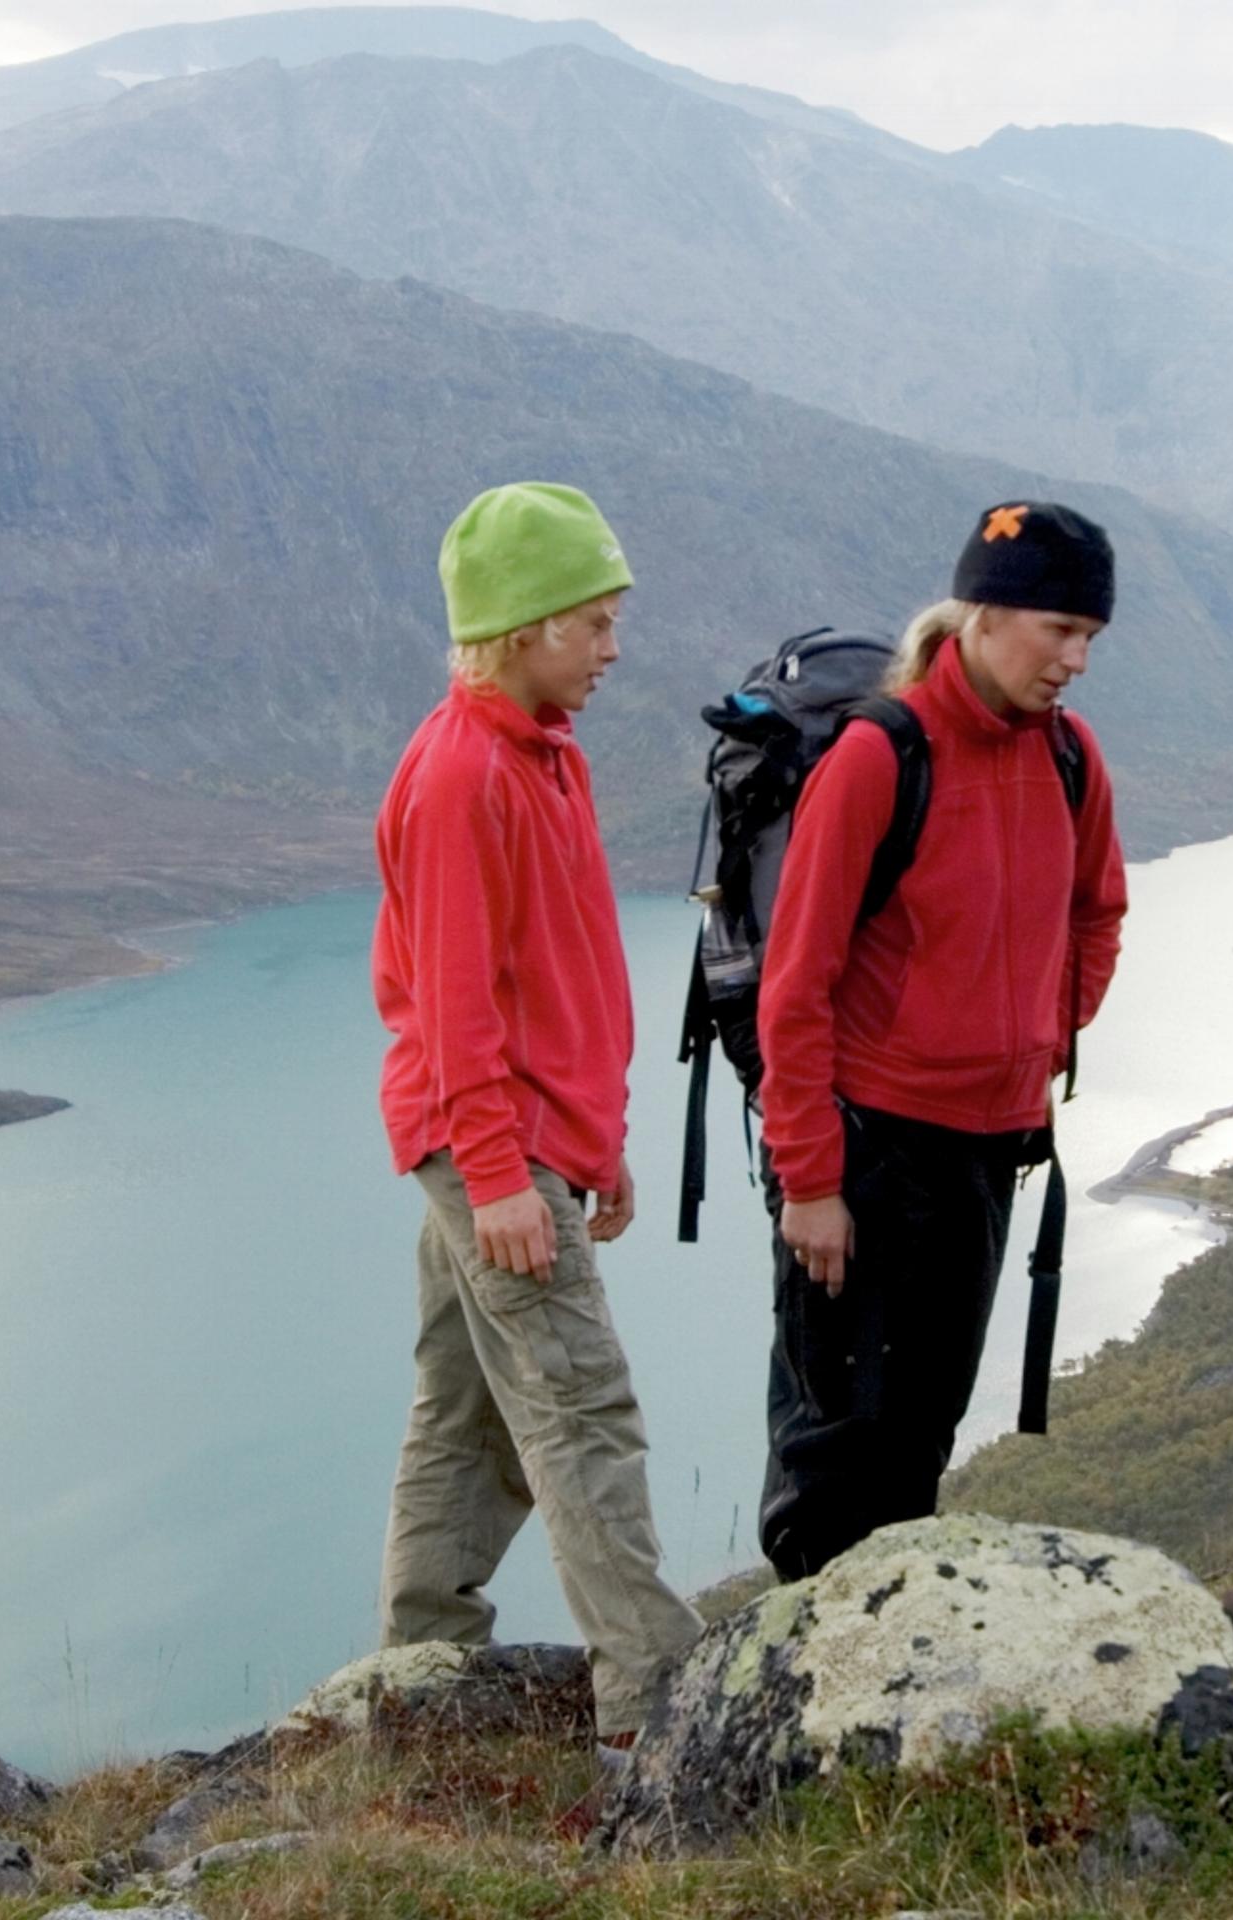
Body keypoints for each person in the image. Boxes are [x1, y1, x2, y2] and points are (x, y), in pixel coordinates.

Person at [369, 481, 701, 1744]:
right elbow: (453, 1002)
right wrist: (504, 1174)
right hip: (488, 1145)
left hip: (527, 1137)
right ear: (521, 627)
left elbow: (563, 969)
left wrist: (598, 1137)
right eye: (593, 623)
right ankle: (653, 1696)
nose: (613, 648)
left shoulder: (548, 754)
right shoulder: (462, 776)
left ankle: (420, 1673)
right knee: (580, 1408)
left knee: (467, 1414)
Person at [752, 499, 1131, 1581]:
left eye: (1091, 637)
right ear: (985, 612)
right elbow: (796, 985)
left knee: (920, 1432)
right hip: (872, 1152)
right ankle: (802, 1665)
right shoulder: (882, 755)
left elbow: (1098, 911)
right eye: (1061, 630)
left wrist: (1041, 1037)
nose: (1077, 661)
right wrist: (810, 1181)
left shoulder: (1071, 756)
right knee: (837, 1446)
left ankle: (887, 1650)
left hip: (989, 1150)